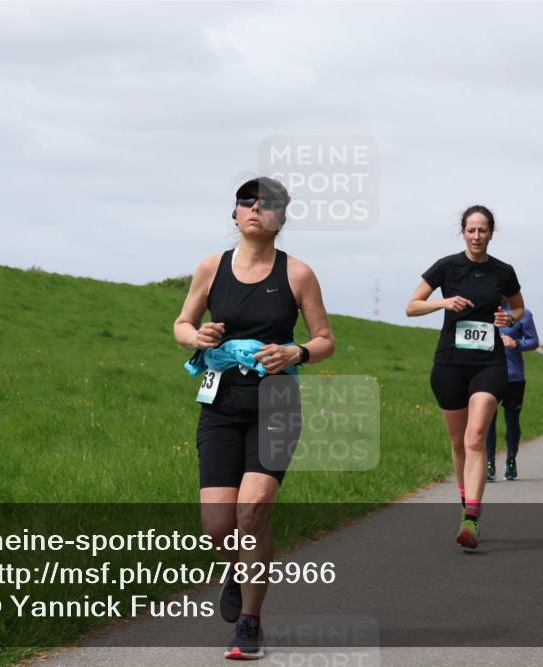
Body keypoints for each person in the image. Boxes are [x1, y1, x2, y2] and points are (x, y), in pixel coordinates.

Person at [173, 177, 335, 660]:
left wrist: (296, 351)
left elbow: (325, 339)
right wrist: (196, 337)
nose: (255, 209)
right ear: (235, 213)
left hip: (277, 401)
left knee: (253, 510)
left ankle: (250, 621)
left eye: (267, 204)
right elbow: (181, 324)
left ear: (280, 219)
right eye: (247, 201)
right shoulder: (211, 267)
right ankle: (236, 568)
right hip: (220, 403)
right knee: (219, 524)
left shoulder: (298, 274)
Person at [406, 204, 524, 549]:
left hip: (490, 364)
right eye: (471, 230)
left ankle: (471, 518)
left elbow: (518, 307)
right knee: (458, 443)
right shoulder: (447, 266)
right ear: (463, 232)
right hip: (450, 364)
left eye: (482, 230)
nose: (476, 236)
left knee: (475, 438)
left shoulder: (503, 271)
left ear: (491, 233)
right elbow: (411, 306)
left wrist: (509, 318)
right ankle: (465, 502)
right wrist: (443, 303)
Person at [485, 302, 538, 481]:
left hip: (514, 377)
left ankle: (511, 460)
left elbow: (534, 341)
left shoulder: (523, 313)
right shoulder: (482, 310)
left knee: (512, 421)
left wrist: (516, 343)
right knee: (487, 422)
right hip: (488, 376)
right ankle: (489, 464)